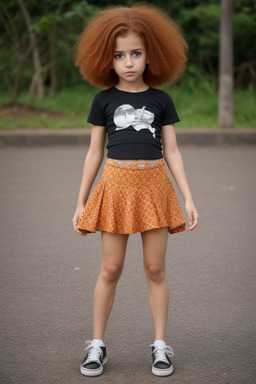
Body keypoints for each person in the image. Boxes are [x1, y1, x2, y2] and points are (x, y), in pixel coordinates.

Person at [72, 4, 198, 378]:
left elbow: (172, 150)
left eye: (136, 53)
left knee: (155, 268)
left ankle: (160, 345)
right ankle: (97, 344)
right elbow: (94, 152)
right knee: (110, 268)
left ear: (150, 54)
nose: (128, 62)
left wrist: (188, 197)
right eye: (119, 55)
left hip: (155, 185)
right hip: (115, 185)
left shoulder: (161, 100)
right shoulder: (104, 100)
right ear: (106, 59)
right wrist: (80, 201)